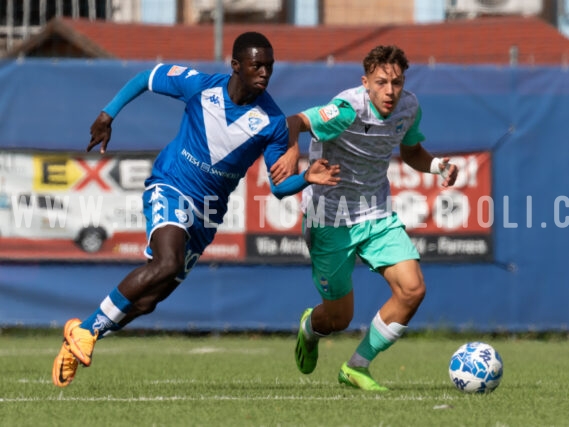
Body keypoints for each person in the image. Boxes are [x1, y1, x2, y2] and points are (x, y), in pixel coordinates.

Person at [52, 31, 340, 387]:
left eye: (269, 65)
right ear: (236, 66)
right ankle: (84, 334)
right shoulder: (200, 87)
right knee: (166, 262)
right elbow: (148, 77)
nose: (265, 72)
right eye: (256, 65)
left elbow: (279, 187)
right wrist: (108, 113)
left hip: (206, 215)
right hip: (171, 186)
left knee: (148, 302)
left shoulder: (273, 123)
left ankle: (83, 332)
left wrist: (307, 178)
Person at [285, 45, 458, 391]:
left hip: (377, 214)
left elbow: (410, 151)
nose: (390, 91)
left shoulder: (408, 107)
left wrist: (438, 166)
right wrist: (292, 152)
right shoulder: (347, 109)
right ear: (366, 82)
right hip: (329, 218)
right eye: (381, 83)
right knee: (338, 318)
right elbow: (295, 122)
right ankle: (309, 329)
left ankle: (356, 367)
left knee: (412, 289)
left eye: (396, 82)